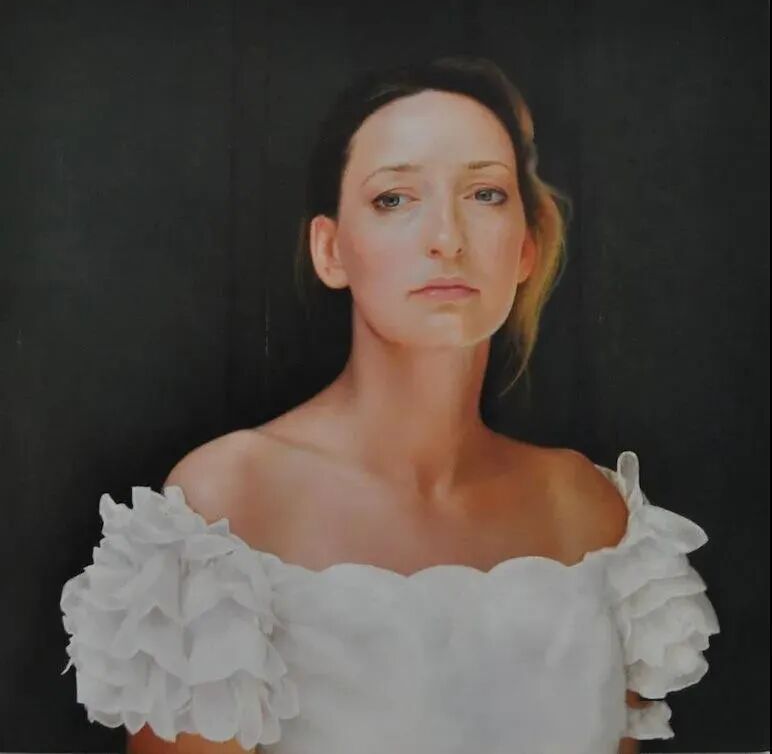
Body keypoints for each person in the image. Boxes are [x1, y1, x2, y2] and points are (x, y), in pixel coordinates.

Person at [59, 55, 720, 754]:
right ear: (330, 251)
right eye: (395, 199)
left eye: (485, 194)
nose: (447, 239)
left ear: (525, 249)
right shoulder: (226, 505)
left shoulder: (589, 510)